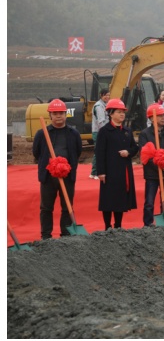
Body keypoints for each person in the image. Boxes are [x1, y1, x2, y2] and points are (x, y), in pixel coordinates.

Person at [32, 99, 82, 239]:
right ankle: (46, 236)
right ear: (50, 116)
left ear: (66, 114)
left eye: (61, 113)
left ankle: (65, 235)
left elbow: (78, 151)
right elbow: (36, 152)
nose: (58, 116)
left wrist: (65, 166)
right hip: (48, 177)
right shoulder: (42, 134)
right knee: (46, 208)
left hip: (68, 176)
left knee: (67, 206)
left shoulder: (73, 133)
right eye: (55, 113)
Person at [95, 98, 139, 230]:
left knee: (120, 198)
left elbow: (134, 148)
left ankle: (118, 225)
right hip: (109, 170)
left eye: (123, 112)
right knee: (108, 199)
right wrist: (101, 172)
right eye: (119, 112)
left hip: (123, 170)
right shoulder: (104, 131)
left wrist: (128, 152)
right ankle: (107, 226)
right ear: (111, 113)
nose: (122, 114)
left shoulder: (127, 130)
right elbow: (100, 152)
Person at [138, 104, 164, 227]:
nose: (163, 118)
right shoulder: (145, 134)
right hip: (152, 174)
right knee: (149, 202)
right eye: (160, 115)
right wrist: (158, 166)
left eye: (163, 115)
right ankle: (148, 223)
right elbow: (145, 153)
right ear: (151, 118)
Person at [89, 89, 110, 179]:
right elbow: (101, 122)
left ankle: (94, 172)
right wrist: (105, 133)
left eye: (108, 95)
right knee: (99, 152)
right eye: (105, 95)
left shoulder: (105, 105)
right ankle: (96, 172)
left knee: (99, 152)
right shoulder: (99, 106)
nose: (107, 97)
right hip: (99, 132)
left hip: (101, 131)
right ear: (101, 95)